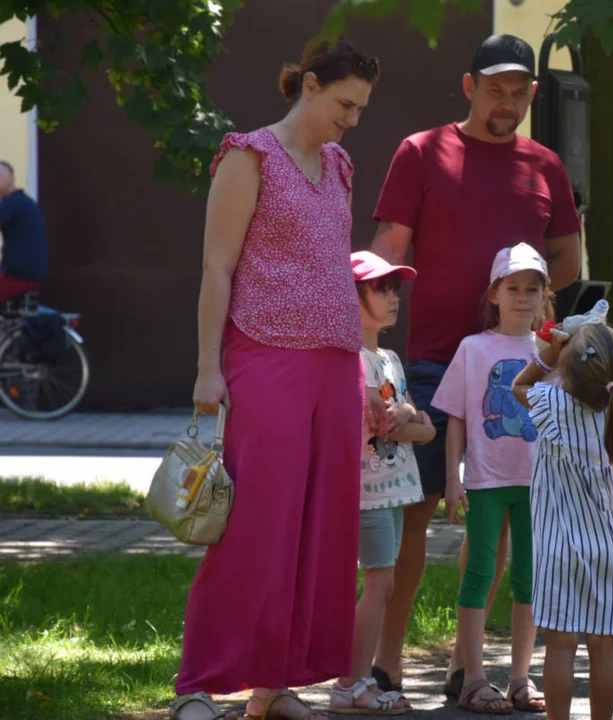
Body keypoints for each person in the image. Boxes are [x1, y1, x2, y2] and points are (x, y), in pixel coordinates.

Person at [368, 32, 581, 700]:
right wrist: (366, 341)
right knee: (414, 510)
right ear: (468, 86)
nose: (506, 103)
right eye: (495, 90)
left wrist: (530, 325)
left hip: (514, 368)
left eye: (519, 93)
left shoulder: (544, 164)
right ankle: (387, 666)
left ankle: (469, 667)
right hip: (432, 360)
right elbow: (385, 251)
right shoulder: (422, 152)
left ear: (532, 95)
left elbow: (569, 261)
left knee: (493, 515)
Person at [173, 39, 380, 720]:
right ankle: (198, 685)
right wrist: (208, 367)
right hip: (264, 357)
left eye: (360, 108)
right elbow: (215, 269)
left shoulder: (341, 164)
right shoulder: (249, 153)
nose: (351, 118)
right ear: (311, 86)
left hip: (335, 365)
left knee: (317, 532)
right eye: (344, 103)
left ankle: (275, 683)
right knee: (255, 523)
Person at [512, 321, 613, 720]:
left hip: (561, 547)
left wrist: (549, 351)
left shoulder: (551, 405)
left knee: (560, 645)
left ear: (568, 366)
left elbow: (517, 386)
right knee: (604, 645)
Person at [430, 243, 551, 713]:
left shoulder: (550, 351)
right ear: (494, 294)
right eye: (513, 287)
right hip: (484, 481)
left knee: (529, 579)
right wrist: (453, 479)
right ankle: (474, 679)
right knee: (479, 574)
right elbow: (457, 417)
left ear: (545, 294)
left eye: (532, 288)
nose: (522, 297)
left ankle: (521, 678)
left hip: (537, 485)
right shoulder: (473, 348)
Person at [330, 251, 435, 716]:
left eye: (395, 289)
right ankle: (349, 686)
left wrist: (408, 415)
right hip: (369, 493)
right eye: (381, 289)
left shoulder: (388, 359)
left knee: (384, 585)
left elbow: (423, 428)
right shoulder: (353, 362)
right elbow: (384, 424)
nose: (394, 298)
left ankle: (358, 682)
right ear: (350, 296)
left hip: (395, 489)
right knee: (378, 585)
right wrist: (408, 419)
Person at [0, 162, 47, 305]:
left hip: (17, 276)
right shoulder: (25, 202)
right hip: (29, 276)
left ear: (11, 179)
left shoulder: (13, 203)